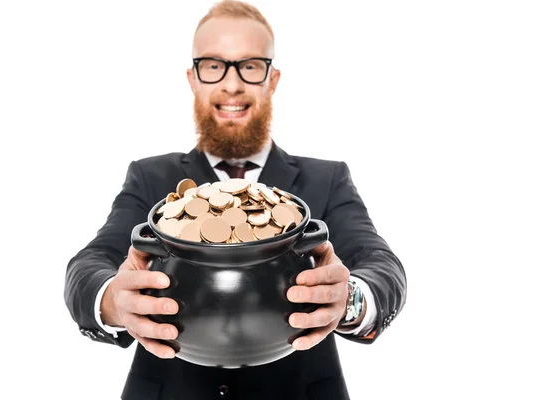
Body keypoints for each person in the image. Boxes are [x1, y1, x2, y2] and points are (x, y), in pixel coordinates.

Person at [64, 1, 407, 398]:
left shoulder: (326, 179)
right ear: (193, 78)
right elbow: (89, 264)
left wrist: (350, 299)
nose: (231, 84)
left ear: (272, 79)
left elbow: (383, 266)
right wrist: (113, 300)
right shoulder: (150, 176)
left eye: (250, 65)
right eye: (213, 65)